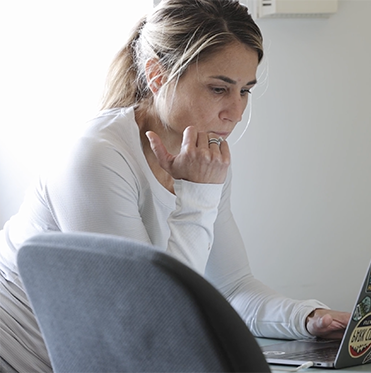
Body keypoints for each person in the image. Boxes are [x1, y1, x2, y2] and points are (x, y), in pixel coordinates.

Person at [0, 0, 350, 371]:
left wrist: (308, 318)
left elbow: (230, 288)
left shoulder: (202, 156)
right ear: (157, 75)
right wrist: (197, 196)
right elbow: (150, 319)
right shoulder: (95, 157)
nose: (236, 111)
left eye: (245, 90)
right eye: (219, 89)